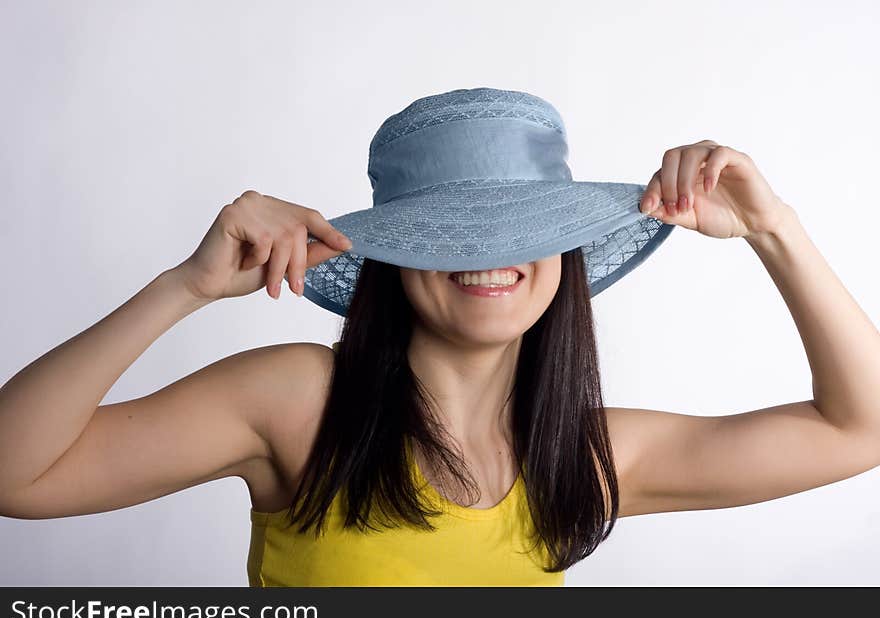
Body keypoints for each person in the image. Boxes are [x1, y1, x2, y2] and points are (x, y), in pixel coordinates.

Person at [2, 93, 879, 587]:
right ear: (389, 258)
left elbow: (859, 428)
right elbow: (15, 475)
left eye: (522, 228)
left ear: (564, 258)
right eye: (449, 233)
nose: (492, 257)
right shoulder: (300, 401)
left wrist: (777, 230)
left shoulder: (581, 454)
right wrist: (183, 288)